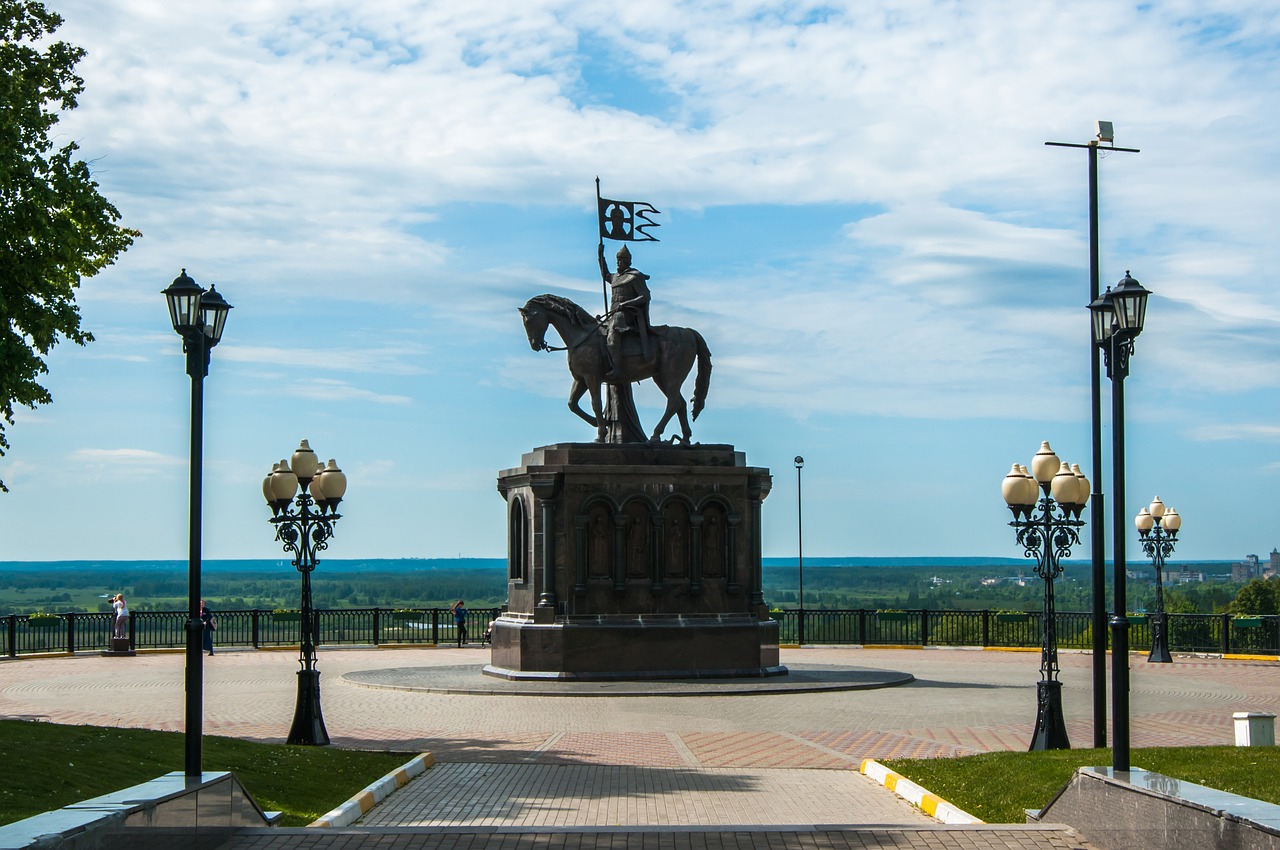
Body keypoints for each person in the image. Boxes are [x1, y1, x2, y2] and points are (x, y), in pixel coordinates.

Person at [598, 244, 652, 380]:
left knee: (613, 332)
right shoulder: (615, 277)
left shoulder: (635, 276)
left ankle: (617, 368)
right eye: (617, 261)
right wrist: (600, 256)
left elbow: (645, 296)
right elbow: (605, 274)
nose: (618, 264)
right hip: (613, 313)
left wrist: (625, 304)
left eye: (620, 261)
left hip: (629, 314)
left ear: (627, 262)